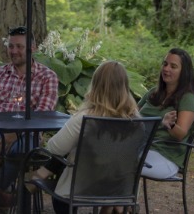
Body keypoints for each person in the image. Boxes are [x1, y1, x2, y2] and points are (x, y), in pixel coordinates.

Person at [28, 61, 140, 214]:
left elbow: (54, 148)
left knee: (70, 151)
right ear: (125, 87)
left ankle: (38, 175)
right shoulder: (137, 121)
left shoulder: (85, 118)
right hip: (120, 188)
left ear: (95, 85)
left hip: (83, 186)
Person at [0, 26, 59, 203]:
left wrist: (16, 132)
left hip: (27, 136)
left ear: (33, 48)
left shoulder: (47, 77)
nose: (14, 51)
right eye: (11, 46)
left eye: (19, 47)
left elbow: (43, 115)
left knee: (25, 148)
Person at [138, 48, 194, 180]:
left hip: (165, 157)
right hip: (140, 148)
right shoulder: (152, 93)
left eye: (173, 66)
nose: (166, 69)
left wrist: (170, 125)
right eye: (165, 64)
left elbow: (180, 134)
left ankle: (123, 200)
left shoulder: (187, 98)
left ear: (184, 72)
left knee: (122, 163)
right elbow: (132, 116)